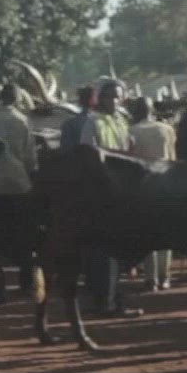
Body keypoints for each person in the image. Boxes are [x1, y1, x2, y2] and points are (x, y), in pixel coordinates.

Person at [77, 79, 135, 316]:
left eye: (117, 96)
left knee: (117, 249)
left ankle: (111, 298)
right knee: (104, 249)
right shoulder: (93, 122)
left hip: (123, 191)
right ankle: (106, 301)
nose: (114, 100)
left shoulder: (122, 121)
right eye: (109, 96)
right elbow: (86, 155)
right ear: (100, 99)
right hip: (101, 192)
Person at [0, 84, 37, 304]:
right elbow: (30, 156)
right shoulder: (22, 121)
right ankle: (27, 284)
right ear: (18, 99)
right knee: (24, 235)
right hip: (20, 183)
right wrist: (29, 175)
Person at [127, 96, 178, 291]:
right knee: (167, 234)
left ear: (136, 111)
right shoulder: (167, 129)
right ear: (152, 111)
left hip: (143, 186)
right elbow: (173, 158)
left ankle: (151, 278)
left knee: (148, 234)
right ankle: (165, 277)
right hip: (167, 183)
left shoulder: (131, 131)